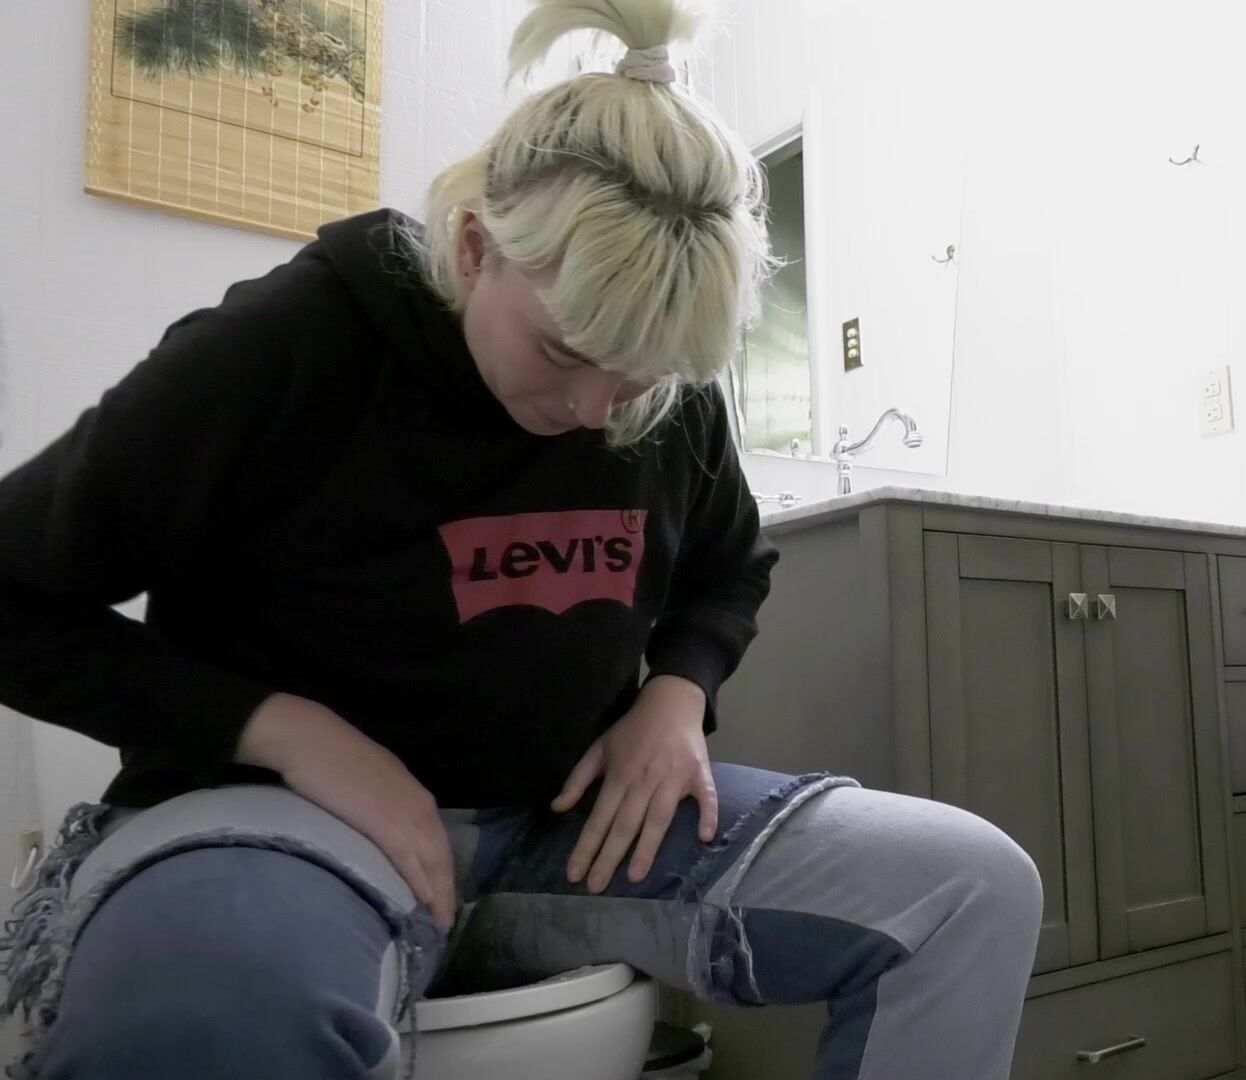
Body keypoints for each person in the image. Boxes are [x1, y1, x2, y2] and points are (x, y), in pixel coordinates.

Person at [0, 1, 1043, 1077]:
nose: (595, 413)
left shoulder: (652, 364)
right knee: (204, 1018)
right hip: (290, 824)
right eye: (563, 353)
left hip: (567, 831)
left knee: (971, 887)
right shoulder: (290, 346)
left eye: (636, 383)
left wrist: (675, 694)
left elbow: (729, 563)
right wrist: (292, 733)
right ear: (474, 248)